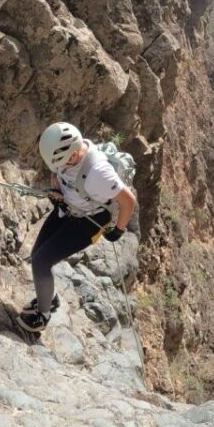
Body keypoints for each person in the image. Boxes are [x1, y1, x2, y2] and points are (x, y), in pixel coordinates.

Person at [17, 122, 137, 332]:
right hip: (67, 208)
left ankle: (42, 316)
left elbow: (128, 201)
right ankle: (49, 298)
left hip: (88, 222)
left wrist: (119, 230)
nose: (58, 168)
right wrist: (58, 192)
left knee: (41, 262)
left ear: (73, 156)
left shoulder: (99, 172)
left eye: (62, 164)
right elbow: (57, 173)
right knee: (38, 255)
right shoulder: (65, 156)